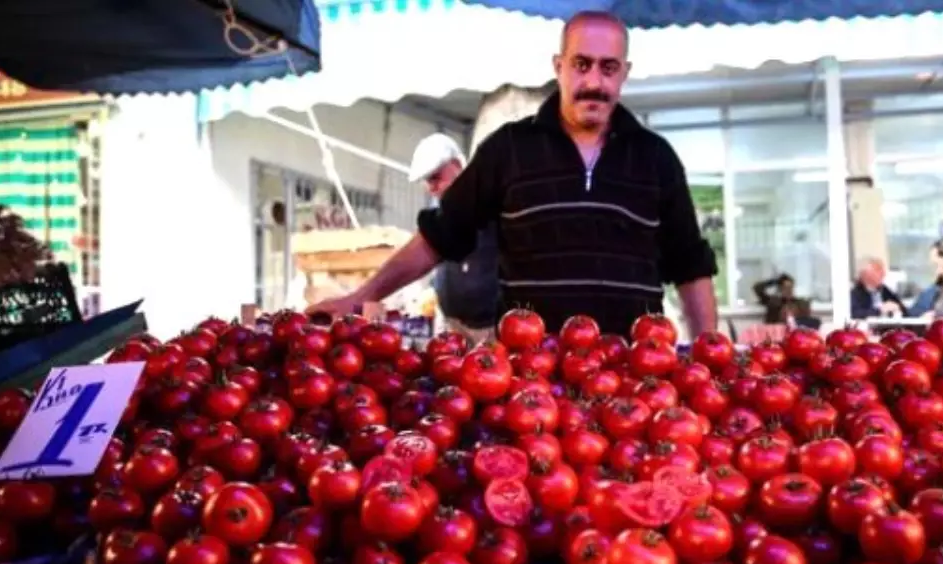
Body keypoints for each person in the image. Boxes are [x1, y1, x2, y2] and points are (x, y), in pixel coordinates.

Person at [307, 11, 718, 338]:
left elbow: (690, 267)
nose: (593, 81)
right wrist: (361, 299)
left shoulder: (656, 159)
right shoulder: (508, 150)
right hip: (531, 386)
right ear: (559, 67)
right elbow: (439, 236)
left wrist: (709, 361)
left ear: (624, 73)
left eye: (608, 68)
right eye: (581, 64)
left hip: (632, 381)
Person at [407, 133, 499, 343]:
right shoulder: (437, 213)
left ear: (458, 166)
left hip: (492, 327)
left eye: (435, 178)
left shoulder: (492, 203)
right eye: (426, 181)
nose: (431, 187)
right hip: (453, 325)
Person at [752, 273, 820, 329]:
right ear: (780, 289)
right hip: (777, 335)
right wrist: (774, 281)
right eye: (785, 288)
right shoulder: (773, 302)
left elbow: (808, 323)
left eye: (790, 287)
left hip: (796, 334)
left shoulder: (801, 303)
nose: (789, 290)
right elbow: (757, 288)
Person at [909, 239, 943, 318]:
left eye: (936, 264)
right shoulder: (936, 287)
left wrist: (936, 314)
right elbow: (913, 313)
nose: (935, 270)